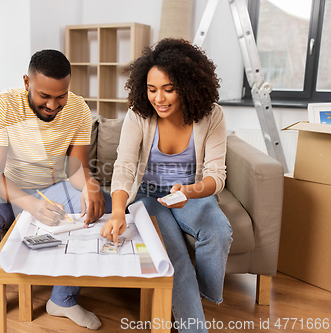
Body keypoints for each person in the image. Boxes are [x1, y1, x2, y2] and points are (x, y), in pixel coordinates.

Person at [0, 49, 111, 333]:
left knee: (92, 204)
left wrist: (90, 186)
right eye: (44, 96)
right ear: (26, 82)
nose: (53, 105)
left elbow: (77, 169)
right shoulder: (0, 106)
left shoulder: (79, 109)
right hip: (4, 187)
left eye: (61, 96)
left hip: (53, 185)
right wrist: (31, 205)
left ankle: (62, 300)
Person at [100, 38, 232, 332]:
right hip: (147, 196)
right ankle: (193, 325)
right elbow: (124, 166)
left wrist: (191, 191)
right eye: (151, 89)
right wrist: (118, 211)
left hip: (191, 193)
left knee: (219, 231)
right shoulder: (139, 115)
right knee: (175, 258)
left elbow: (216, 174)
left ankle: (200, 297)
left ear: (187, 86)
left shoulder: (211, 115)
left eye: (168, 89)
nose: (159, 98)